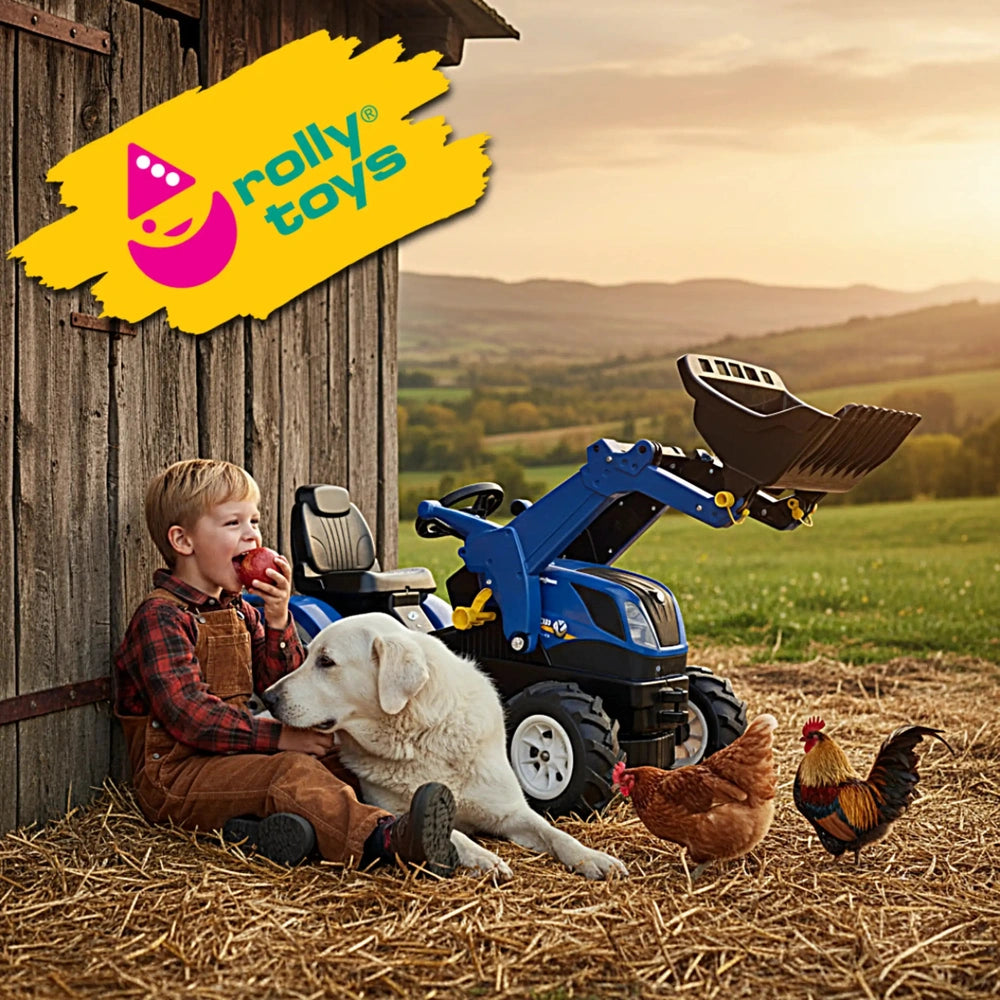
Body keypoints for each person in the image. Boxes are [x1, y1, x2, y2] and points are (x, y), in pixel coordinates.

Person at [113, 458, 458, 875]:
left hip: (234, 761)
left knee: (338, 758)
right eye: (232, 523)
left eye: (254, 520)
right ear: (183, 541)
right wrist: (280, 738)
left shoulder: (243, 612)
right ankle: (386, 841)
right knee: (290, 770)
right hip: (178, 777)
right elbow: (192, 717)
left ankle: (268, 833)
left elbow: (287, 688)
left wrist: (278, 619)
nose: (252, 535)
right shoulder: (161, 618)